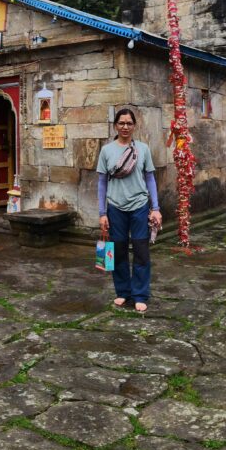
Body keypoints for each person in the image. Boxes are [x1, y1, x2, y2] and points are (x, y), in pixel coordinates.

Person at [97, 108, 162, 313]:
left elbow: (150, 178)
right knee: (118, 251)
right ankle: (123, 291)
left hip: (139, 207)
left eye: (129, 123)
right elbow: (101, 183)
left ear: (134, 126)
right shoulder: (107, 151)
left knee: (141, 251)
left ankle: (140, 294)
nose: (125, 127)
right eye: (121, 123)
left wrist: (156, 208)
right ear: (115, 125)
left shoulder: (142, 149)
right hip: (115, 207)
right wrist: (102, 213)